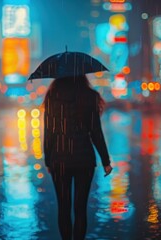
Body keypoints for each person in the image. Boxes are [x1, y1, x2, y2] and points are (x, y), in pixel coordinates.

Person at [43, 75, 113, 240]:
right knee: (80, 208)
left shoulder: (53, 97)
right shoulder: (89, 96)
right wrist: (105, 161)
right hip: (84, 159)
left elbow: (49, 133)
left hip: (59, 159)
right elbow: (96, 131)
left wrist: (48, 159)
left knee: (63, 207)